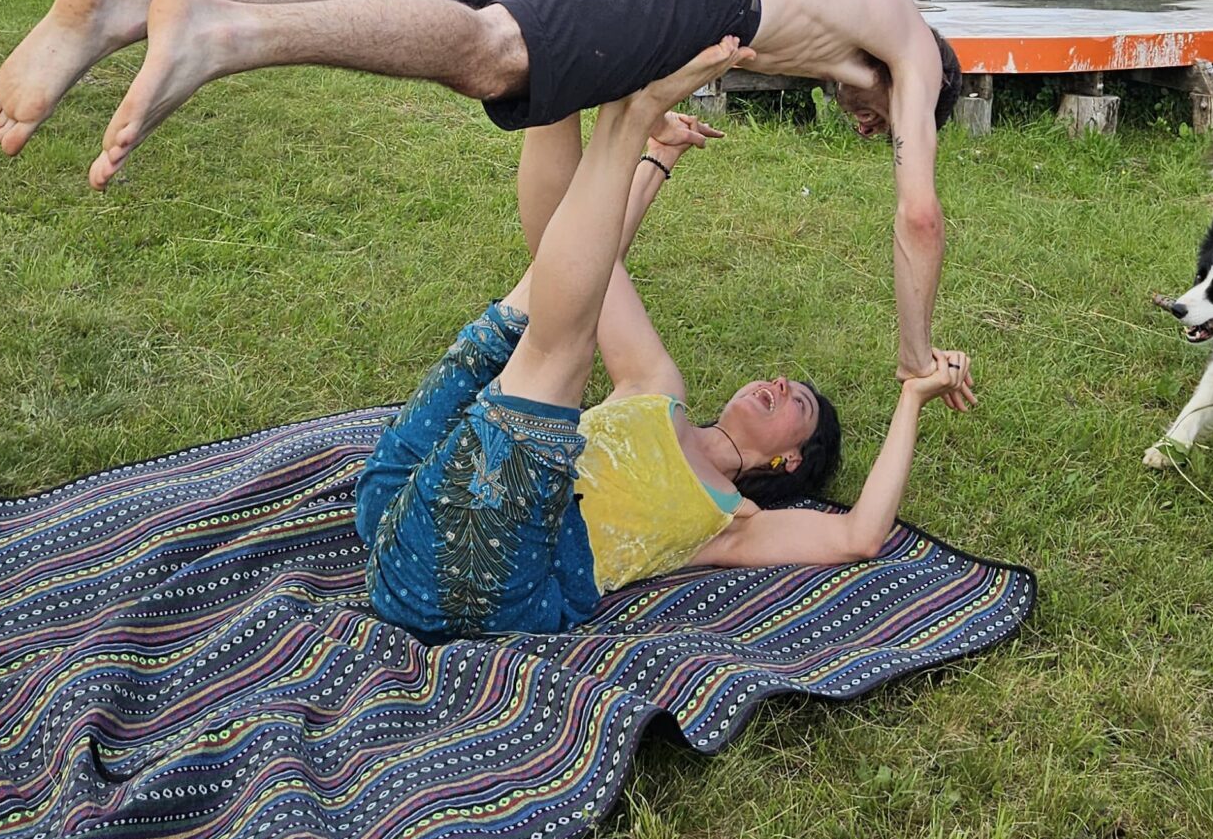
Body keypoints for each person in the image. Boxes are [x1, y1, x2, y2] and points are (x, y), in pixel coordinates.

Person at [0, 0, 968, 378]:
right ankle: (226, 33)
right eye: (887, 119)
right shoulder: (914, 46)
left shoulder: (847, 1)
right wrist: (917, 353)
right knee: (495, 54)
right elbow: (919, 216)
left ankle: (128, 6)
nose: (874, 125)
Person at [353, 35, 978, 640]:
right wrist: (659, 158)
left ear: (791, 459)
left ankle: (600, 81)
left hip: (479, 583)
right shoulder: (654, 386)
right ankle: (555, 46)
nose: (781, 383)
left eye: (801, 404)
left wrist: (913, 397)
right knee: (536, 301)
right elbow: (588, 270)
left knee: (551, 345)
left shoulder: (732, 521)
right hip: (395, 507)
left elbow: (859, 536)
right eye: (787, 382)